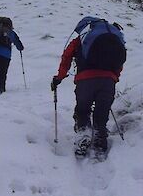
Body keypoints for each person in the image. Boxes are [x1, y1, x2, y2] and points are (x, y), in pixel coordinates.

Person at [51, 16, 126, 157]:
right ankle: (100, 138)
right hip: (108, 81)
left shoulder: (81, 39)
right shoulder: (114, 38)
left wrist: (59, 77)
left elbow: (66, 57)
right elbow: (120, 62)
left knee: (82, 110)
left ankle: (83, 136)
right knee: (102, 112)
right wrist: (114, 78)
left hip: (85, 80)